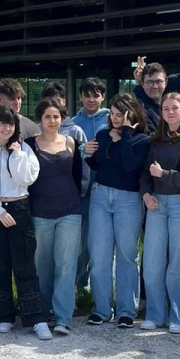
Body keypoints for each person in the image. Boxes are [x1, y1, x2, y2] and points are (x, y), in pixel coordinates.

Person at [0, 106, 51, 339]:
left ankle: (36, 318)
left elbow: (27, 178)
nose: (6, 128)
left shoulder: (25, 149)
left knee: (25, 265)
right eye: (2, 123)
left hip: (19, 208)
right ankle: (4, 316)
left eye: (11, 124)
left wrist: (17, 155)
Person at [84, 93, 150, 327]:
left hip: (128, 200)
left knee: (127, 255)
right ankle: (101, 309)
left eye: (120, 114)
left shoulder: (141, 139)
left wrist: (125, 136)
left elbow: (130, 165)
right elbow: (98, 163)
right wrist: (88, 152)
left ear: (131, 115)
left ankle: (126, 310)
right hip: (100, 196)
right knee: (100, 255)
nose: (114, 118)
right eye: (112, 113)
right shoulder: (102, 134)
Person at [139, 92, 180, 333]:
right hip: (156, 204)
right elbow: (145, 172)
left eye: (175, 108)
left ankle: (178, 316)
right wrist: (145, 194)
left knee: (178, 263)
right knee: (152, 262)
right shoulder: (157, 139)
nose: (170, 112)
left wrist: (164, 175)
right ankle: (155, 315)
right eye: (166, 109)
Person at [28, 98, 84, 336]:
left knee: (66, 263)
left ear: (62, 119)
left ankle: (63, 317)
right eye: (47, 117)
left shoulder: (71, 142)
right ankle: (43, 312)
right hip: (40, 212)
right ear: (39, 120)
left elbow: (78, 174)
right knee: (42, 265)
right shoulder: (28, 145)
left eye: (56, 116)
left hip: (70, 210)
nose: (52, 121)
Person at [72, 77, 109, 291]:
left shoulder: (111, 120)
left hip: (105, 187)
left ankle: (102, 288)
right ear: (80, 97)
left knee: (103, 243)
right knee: (81, 241)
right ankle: (79, 285)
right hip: (81, 191)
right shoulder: (72, 123)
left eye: (96, 95)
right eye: (87, 95)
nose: (91, 99)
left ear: (103, 97)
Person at [131, 59, 167, 132]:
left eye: (159, 81)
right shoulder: (140, 110)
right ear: (142, 84)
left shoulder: (171, 107)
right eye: (149, 82)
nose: (154, 86)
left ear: (166, 82)